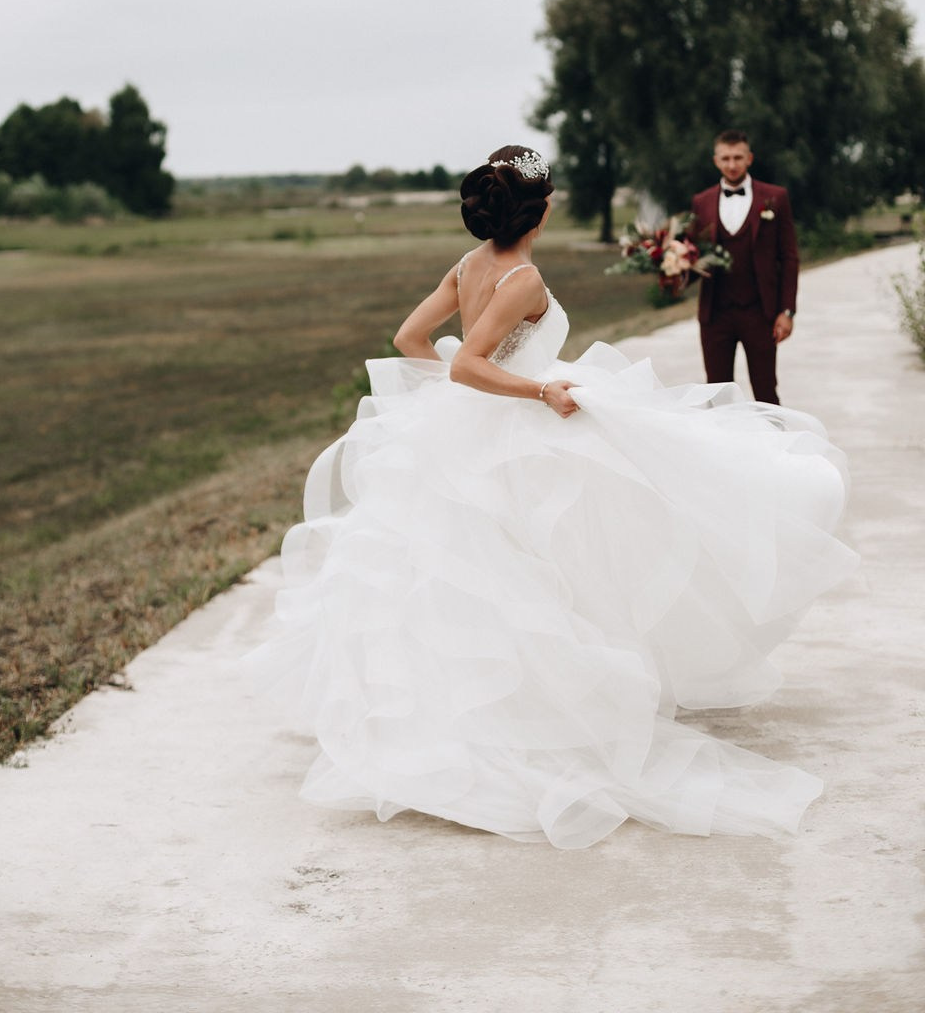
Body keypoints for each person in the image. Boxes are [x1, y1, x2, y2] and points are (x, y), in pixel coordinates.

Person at [250, 145, 856, 849]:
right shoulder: (523, 279)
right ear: (537, 213)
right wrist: (536, 390)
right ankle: (532, 718)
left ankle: (477, 704)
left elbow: (412, 339)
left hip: (475, 426)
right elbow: (468, 364)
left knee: (488, 569)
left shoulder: (467, 266)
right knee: (550, 563)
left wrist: (462, 399)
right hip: (518, 425)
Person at [690, 129, 799, 405]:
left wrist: (787, 311)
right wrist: (672, 270)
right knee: (717, 395)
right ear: (716, 161)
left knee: (765, 392)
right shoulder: (701, 202)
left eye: (738, 157)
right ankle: (721, 436)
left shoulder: (775, 197)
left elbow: (789, 257)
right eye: (725, 158)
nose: (732, 164)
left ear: (749, 158)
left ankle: (773, 435)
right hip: (715, 314)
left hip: (760, 312)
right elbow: (694, 256)